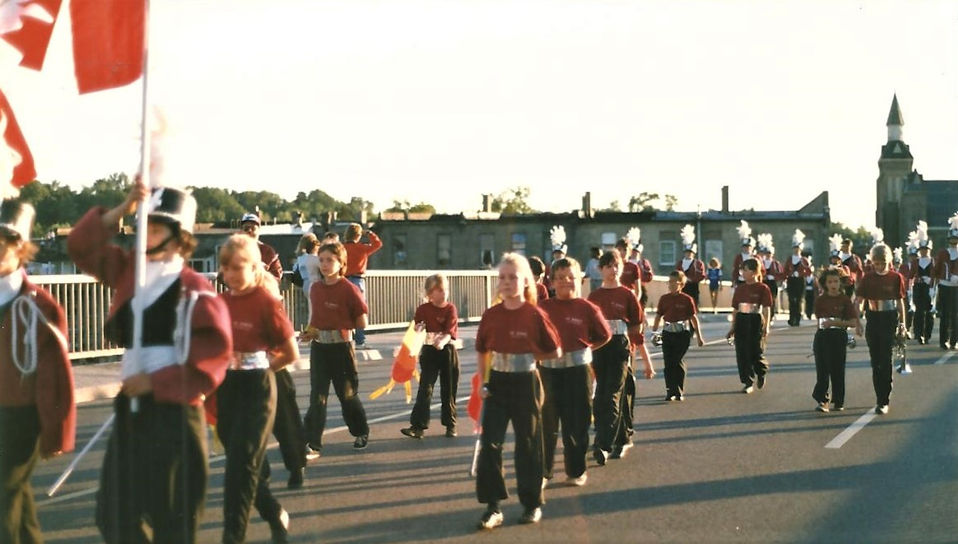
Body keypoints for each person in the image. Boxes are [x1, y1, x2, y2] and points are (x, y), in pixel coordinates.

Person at [69, 181, 232, 543]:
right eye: (142, 225)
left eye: (154, 227)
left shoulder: (196, 291)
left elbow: (214, 358)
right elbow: (80, 247)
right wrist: (124, 207)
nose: (144, 234)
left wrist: (156, 382)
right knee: (112, 514)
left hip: (174, 416)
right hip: (132, 410)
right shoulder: (130, 273)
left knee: (172, 523)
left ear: (178, 237)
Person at [0, 200, 75, 543]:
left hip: (19, 419)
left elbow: (54, 376)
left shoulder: (39, 307)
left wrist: (56, 429)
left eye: (7, 240)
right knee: (19, 505)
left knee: (4, 501)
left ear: (22, 247)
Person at [217, 234, 299, 543]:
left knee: (240, 466)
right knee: (242, 463)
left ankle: (232, 536)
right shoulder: (220, 302)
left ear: (255, 268)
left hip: (258, 388)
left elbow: (290, 353)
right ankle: (274, 511)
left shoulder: (266, 302)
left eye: (238, 267)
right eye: (225, 268)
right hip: (228, 388)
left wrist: (260, 368)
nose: (230, 275)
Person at [475, 253, 560, 529]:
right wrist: (483, 383)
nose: (507, 282)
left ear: (525, 281)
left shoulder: (535, 314)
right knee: (490, 444)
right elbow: (482, 350)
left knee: (528, 444)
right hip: (497, 383)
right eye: (502, 277)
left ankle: (532, 503)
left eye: (513, 277)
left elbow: (555, 350)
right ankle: (493, 506)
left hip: (526, 382)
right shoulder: (491, 314)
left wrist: (532, 355)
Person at [242, 212, 307, 488]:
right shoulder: (230, 301)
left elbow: (289, 350)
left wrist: (269, 366)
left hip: (271, 365)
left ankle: (295, 465)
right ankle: (258, 469)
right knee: (244, 423)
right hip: (244, 370)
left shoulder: (267, 256)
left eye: (253, 226)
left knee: (285, 417)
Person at [539, 258, 610, 488]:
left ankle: (576, 470)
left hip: (578, 371)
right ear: (552, 282)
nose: (565, 282)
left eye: (570, 277)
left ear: (579, 279)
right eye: (560, 278)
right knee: (546, 423)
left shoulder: (587, 308)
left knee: (576, 423)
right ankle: (543, 471)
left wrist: (586, 349)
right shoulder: (543, 308)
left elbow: (604, 335)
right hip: (548, 372)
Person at [302, 241, 371, 453]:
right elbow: (315, 319)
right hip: (320, 348)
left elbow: (362, 322)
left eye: (330, 260)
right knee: (317, 396)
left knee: (347, 395)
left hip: (342, 348)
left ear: (341, 263)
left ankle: (360, 431)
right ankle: (311, 442)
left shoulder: (349, 289)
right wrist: (310, 333)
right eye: (321, 260)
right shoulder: (315, 289)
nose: (324, 264)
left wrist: (341, 322)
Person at [587, 249, 653, 466]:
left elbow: (636, 323)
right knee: (600, 394)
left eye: (616, 266)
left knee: (614, 393)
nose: (613, 270)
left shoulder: (627, 294)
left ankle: (604, 444)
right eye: (608, 266)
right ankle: (616, 436)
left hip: (620, 347)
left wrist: (639, 353)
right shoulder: (594, 296)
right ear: (600, 269)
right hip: (599, 347)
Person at [401, 273, 460, 439]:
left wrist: (442, 340)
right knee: (425, 387)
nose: (443, 293)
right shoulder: (423, 309)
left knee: (448, 389)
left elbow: (450, 330)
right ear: (429, 293)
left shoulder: (450, 309)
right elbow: (417, 327)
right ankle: (418, 426)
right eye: (439, 290)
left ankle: (450, 424)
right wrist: (418, 328)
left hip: (447, 350)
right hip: (429, 350)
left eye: (445, 289)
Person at [856, 243, 906, 415]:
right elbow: (859, 300)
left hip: (889, 319)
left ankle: (883, 400)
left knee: (886, 359)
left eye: (882, 263)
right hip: (873, 318)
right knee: (875, 361)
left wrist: (903, 325)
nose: (879, 266)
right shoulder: (867, 278)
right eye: (876, 263)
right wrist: (857, 321)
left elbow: (900, 303)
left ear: (889, 261)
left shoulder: (896, 277)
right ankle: (879, 396)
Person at [812, 268, 862, 412]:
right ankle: (823, 400)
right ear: (825, 284)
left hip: (838, 337)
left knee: (837, 370)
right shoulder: (820, 300)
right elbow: (819, 322)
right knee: (822, 370)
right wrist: (816, 340)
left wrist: (835, 323)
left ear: (841, 283)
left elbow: (852, 322)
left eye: (835, 281)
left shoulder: (845, 300)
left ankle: (838, 400)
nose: (833, 284)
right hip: (822, 336)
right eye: (829, 282)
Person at [652, 271, 705, 401]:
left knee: (676, 361)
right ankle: (670, 391)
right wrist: (654, 333)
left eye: (672, 282)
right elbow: (658, 316)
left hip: (682, 334)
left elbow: (693, 318)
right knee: (668, 363)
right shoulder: (664, 299)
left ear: (680, 284)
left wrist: (699, 336)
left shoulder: (687, 300)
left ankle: (679, 390)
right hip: (667, 333)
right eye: (668, 282)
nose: (669, 285)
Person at [726, 258, 772, 394]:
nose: (742, 273)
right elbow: (735, 309)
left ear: (753, 272)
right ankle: (747, 382)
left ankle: (761, 371)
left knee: (755, 351)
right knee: (742, 352)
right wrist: (733, 327)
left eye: (745, 270)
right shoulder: (740, 289)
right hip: (742, 320)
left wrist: (766, 326)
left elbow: (766, 308)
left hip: (755, 320)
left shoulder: (763, 288)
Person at [343, 223, 382, 348]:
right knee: (359, 311)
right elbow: (378, 244)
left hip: (343, 280)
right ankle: (360, 340)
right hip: (358, 280)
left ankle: (345, 338)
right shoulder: (362, 248)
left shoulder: (342, 248)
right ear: (358, 235)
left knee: (344, 310)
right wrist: (370, 234)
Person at [935, 212, 958, 350]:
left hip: (957, 287)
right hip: (945, 286)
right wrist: (933, 285)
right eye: (952, 240)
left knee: (956, 315)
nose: (954, 242)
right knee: (945, 314)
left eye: (956, 240)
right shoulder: (943, 253)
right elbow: (936, 269)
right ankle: (944, 341)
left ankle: (955, 341)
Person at [241, 212, 282, 280]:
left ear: (259, 230)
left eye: (253, 228)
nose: (249, 231)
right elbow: (223, 276)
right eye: (246, 229)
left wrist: (261, 272)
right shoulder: (234, 250)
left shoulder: (267, 251)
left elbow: (277, 276)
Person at [912, 226, 936, 345]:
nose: (924, 251)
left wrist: (932, 286)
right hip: (918, 288)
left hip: (929, 288)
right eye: (922, 249)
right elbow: (910, 275)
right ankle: (918, 334)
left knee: (929, 313)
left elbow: (936, 275)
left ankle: (927, 335)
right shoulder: (916, 261)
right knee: (919, 311)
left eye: (926, 249)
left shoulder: (933, 261)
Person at [784, 230, 813, 326]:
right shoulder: (789, 259)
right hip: (791, 280)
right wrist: (785, 278)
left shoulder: (804, 260)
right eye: (795, 248)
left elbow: (809, 271)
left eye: (798, 248)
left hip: (800, 281)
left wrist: (803, 272)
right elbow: (785, 270)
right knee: (791, 299)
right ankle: (792, 318)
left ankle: (798, 317)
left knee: (799, 299)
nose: (796, 250)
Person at [676, 225, 706, 307]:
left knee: (693, 307)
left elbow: (702, 275)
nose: (688, 254)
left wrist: (691, 279)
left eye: (690, 252)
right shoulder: (680, 263)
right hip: (682, 287)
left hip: (693, 287)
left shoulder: (698, 263)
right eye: (687, 252)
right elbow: (676, 274)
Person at [757, 234, 783, 317]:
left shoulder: (775, 263)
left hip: (772, 283)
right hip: (764, 283)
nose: (768, 255)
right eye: (767, 253)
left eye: (769, 253)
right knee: (763, 300)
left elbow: (780, 274)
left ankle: (771, 315)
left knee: (772, 300)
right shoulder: (761, 262)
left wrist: (774, 277)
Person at [294, 233, 321, 304]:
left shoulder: (300, 258)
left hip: (305, 284)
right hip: (315, 283)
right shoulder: (315, 258)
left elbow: (295, 269)